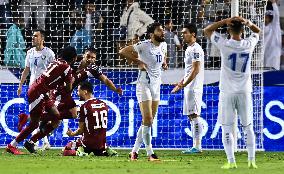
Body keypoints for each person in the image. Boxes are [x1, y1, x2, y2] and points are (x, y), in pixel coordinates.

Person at [19, 47, 123, 151]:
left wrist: (115, 89)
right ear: (83, 55)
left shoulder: (93, 69)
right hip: (56, 92)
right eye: (88, 56)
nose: (90, 59)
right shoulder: (72, 61)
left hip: (65, 94)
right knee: (71, 114)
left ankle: (31, 141)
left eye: (93, 58)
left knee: (56, 121)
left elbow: (105, 79)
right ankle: (31, 120)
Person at [204, 16, 260, 169]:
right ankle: (251, 160)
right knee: (248, 127)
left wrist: (224, 21)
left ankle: (231, 161)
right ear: (243, 30)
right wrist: (247, 23)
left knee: (227, 127)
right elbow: (258, 31)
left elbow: (207, 30)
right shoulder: (249, 43)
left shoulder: (224, 44)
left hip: (227, 92)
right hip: (244, 91)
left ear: (229, 29)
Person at [6, 46, 77, 155]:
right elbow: (68, 88)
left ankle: (30, 138)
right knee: (34, 124)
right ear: (74, 58)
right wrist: (71, 80)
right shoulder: (67, 68)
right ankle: (12, 145)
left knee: (57, 116)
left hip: (42, 91)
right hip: (38, 92)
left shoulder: (56, 61)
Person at [119, 22, 167, 161]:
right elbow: (122, 51)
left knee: (148, 122)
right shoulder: (144, 45)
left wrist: (164, 62)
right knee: (148, 119)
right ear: (152, 34)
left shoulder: (163, 45)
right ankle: (150, 153)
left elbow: (163, 54)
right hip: (143, 84)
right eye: (159, 30)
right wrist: (138, 61)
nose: (162, 32)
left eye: (162, 30)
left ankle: (134, 152)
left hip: (157, 84)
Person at [17, 29, 55, 150]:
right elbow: (26, 70)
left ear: (42, 38)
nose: (32, 38)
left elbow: (54, 71)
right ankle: (41, 142)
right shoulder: (30, 53)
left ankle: (39, 141)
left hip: (45, 88)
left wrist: (51, 89)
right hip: (32, 89)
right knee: (37, 116)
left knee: (41, 116)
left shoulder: (49, 53)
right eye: (32, 36)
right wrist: (20, 85)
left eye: (35, 36)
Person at [171, 23, 205, 154]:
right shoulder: (189, 49)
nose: (182, 35)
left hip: (194, 87)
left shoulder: (196, 49)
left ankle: (197, 146)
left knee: (195, 115)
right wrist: (181, 84)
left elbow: (196, 70)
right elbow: (188, 71)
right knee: (191, 116)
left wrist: (183, 85)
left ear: (193, 34)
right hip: (188, 87)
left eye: (185, 32)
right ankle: (195, 145)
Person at [63, 81, 118, 157]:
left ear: (85, 92)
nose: (77, 93)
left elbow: (80, 130)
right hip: (101, 144)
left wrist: (72, 134)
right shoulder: (104, 104)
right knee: (97, 142)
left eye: (79, 91)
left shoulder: (85, 107)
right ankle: (105, 149)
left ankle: (79, 153)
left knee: (66, 149)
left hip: (88, 144)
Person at [264, 0, 281, 70]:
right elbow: (255, 19)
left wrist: (274, 3)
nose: (267, 18)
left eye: (269, 17)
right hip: (263, 55)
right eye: (266, 16)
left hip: (274, 56)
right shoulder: (262, 27)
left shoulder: (275, 27)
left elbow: (276, 15)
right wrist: (251, 6)